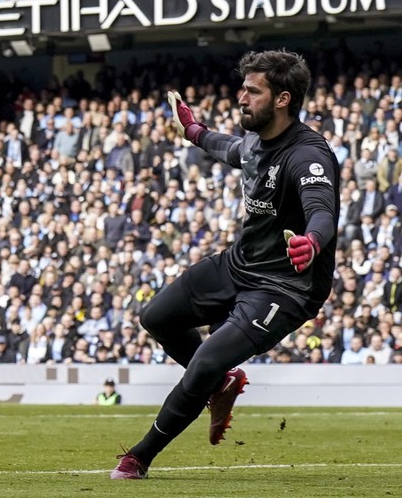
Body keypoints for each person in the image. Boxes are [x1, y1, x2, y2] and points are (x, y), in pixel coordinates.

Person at [112, 50, 338, 480]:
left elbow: (321, 207)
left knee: (205, 360)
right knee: (155, 317)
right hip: (240, 265)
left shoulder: (308, 155)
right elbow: (229, 148)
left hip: (285, 288)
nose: (241, 97)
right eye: (243, 88)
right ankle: (220, 385)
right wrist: (193, 130)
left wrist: (313, 240)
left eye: (253, 91)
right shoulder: (254, 140)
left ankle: (139, 457)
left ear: (282, 99)